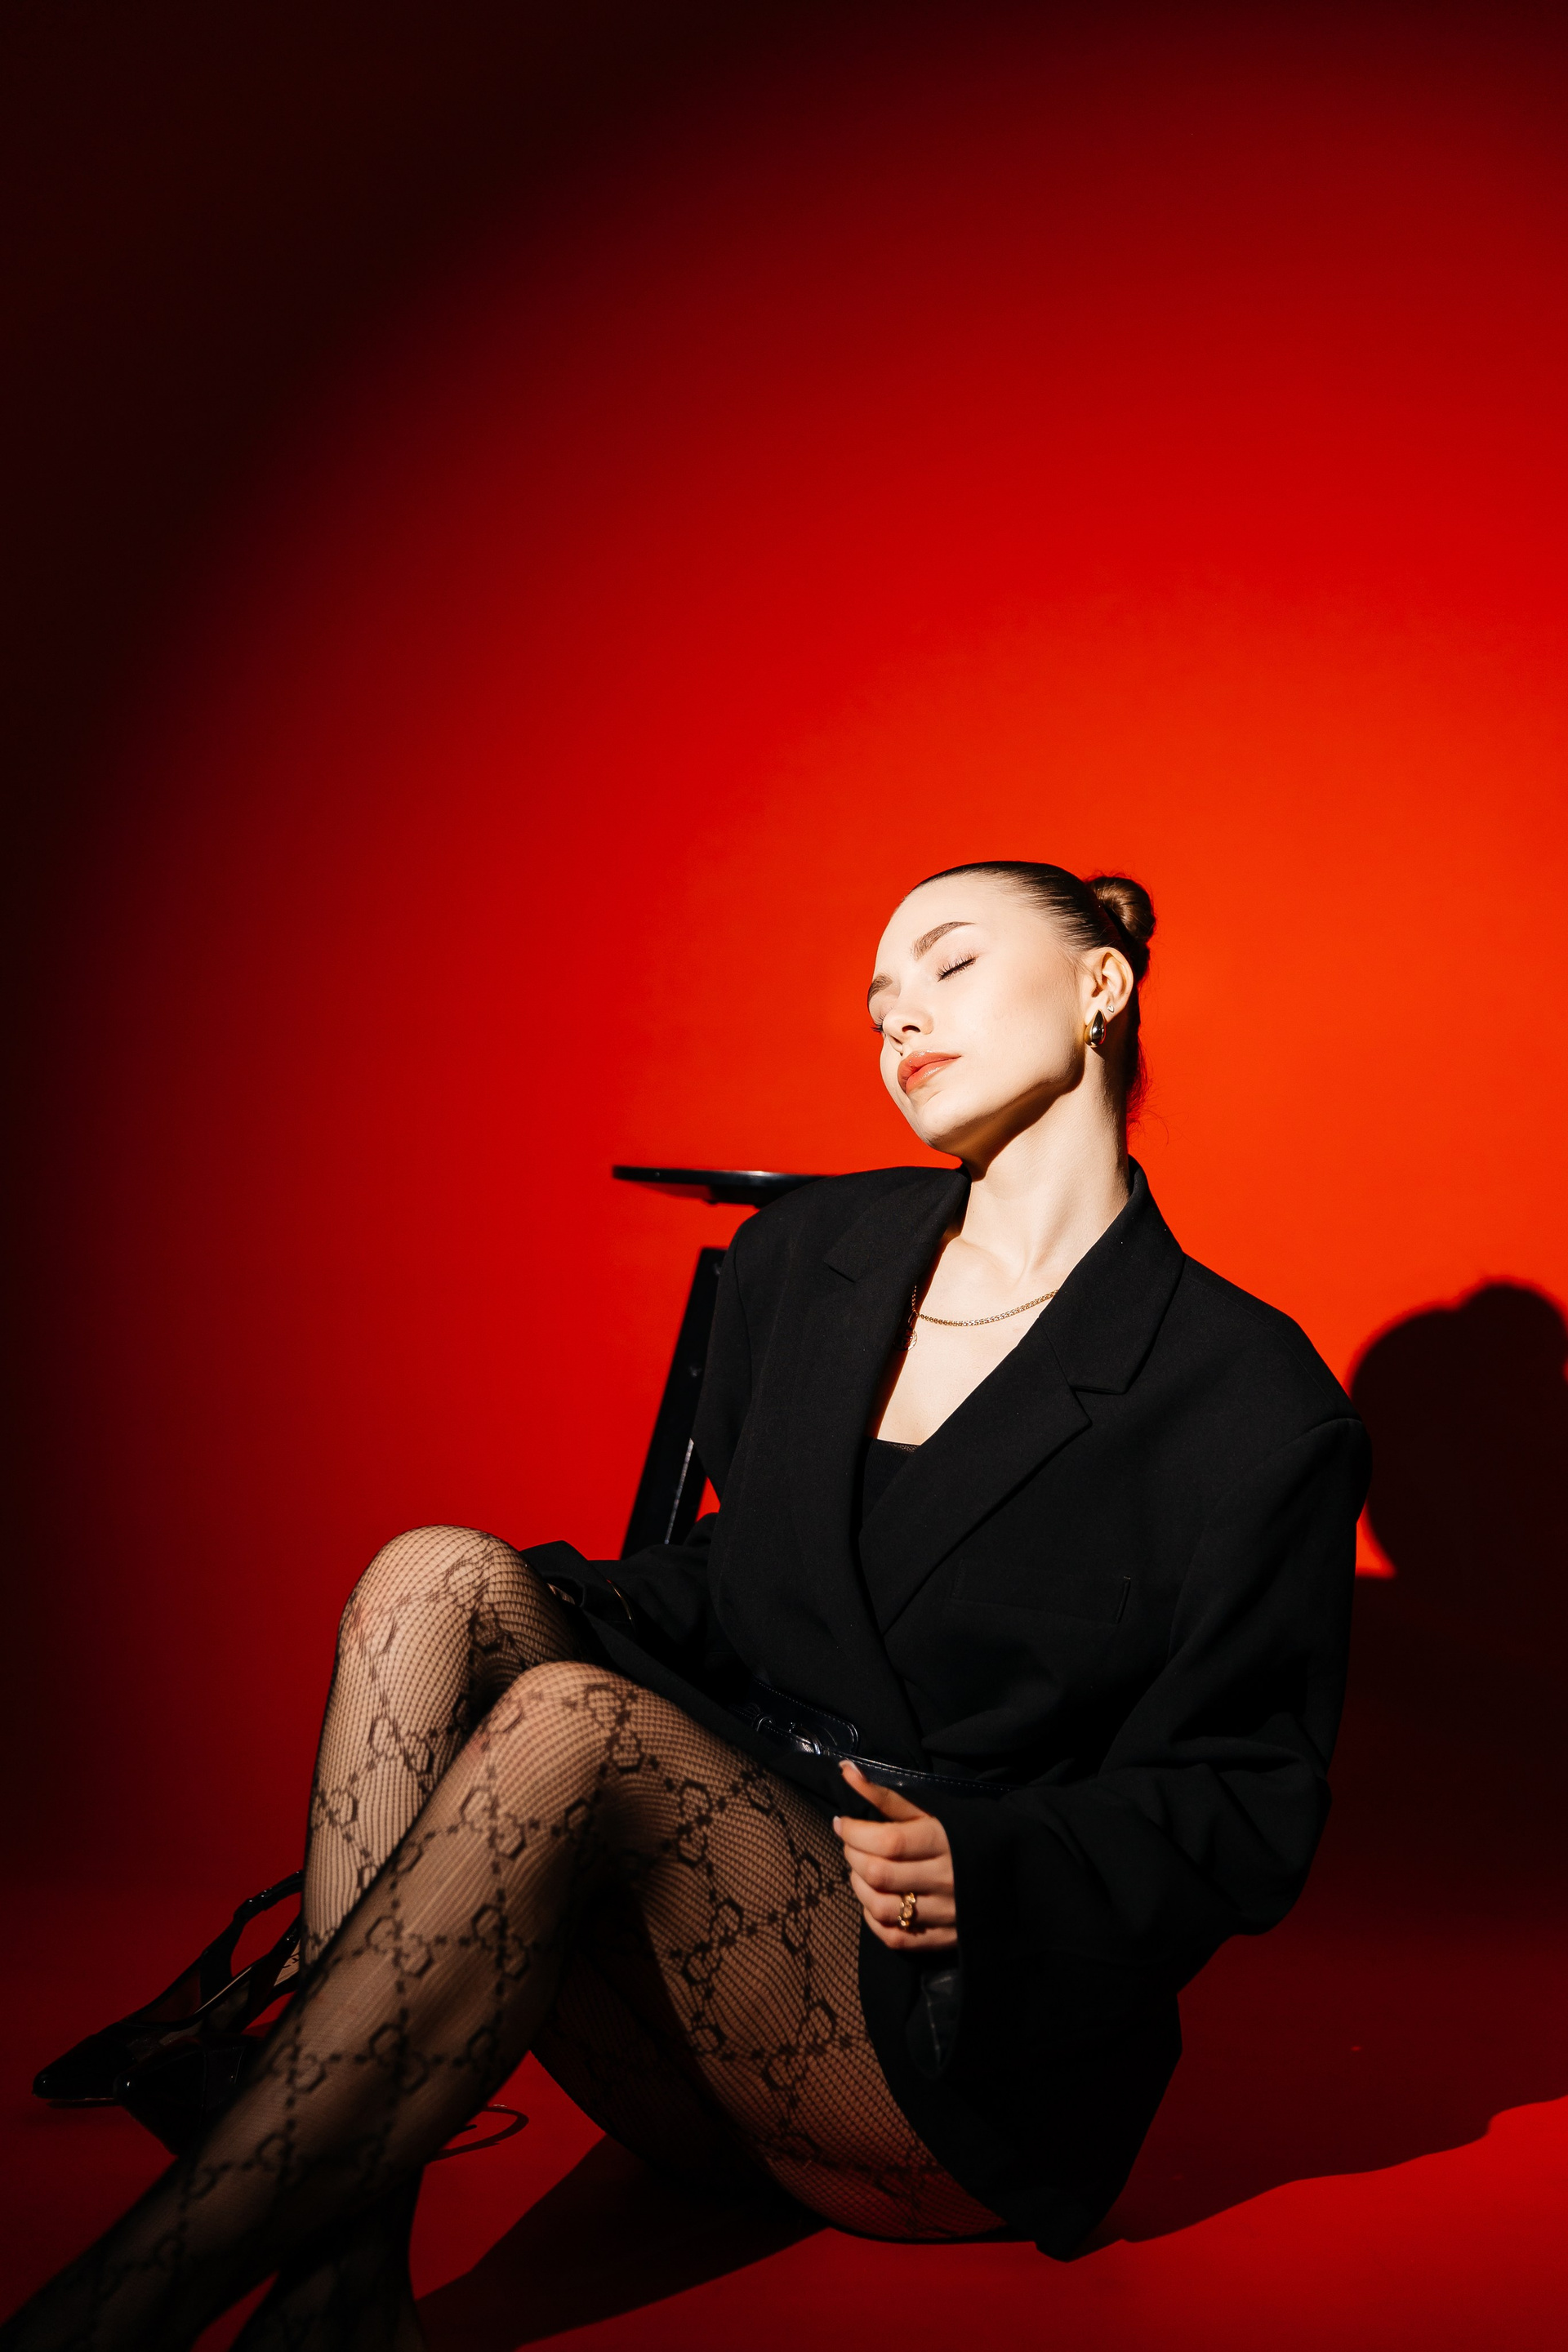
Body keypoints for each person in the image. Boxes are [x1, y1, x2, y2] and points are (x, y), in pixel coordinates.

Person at [3, 861, 1369, 2352]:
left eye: (950, 964)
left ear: (1102, 984)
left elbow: (1247, 1801)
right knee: (431, 1573)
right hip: (695, 2005)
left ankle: (110, 2316)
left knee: (576, 1723)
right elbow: (754, 1580)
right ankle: (343, 2283)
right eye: (877, 1001)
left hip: (940, 2053)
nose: (899, 1016)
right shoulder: (805, 1260)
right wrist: (517, 1611)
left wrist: (995, 1864)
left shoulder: (1248, 1397)